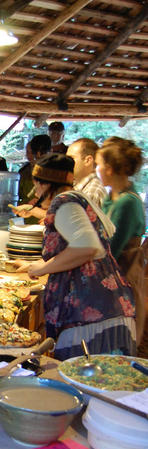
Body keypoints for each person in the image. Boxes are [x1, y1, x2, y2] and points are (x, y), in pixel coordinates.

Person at [14, 153, 136, 360]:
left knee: (83, 376)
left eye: (36, 185)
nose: (36, 192)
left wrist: (43, 269)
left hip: (90, 316)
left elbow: (86, 248)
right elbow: (81, 247)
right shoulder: (78, 199)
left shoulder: (64, 203)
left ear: (45, 184)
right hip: (109, 308)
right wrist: (37, 264)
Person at [96, 137, 146, 342]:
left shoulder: (127, 202)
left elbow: (110, 248)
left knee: (119, 341)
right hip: (115, 278)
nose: (97, 170)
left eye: (99, 164)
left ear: (109, 169)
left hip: (123, 281)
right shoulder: (114, 197)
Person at [66, 137, 106, 208]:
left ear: (88, 160)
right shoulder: (75, 185)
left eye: (71, 158)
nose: (67, 162)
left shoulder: (92, 192)